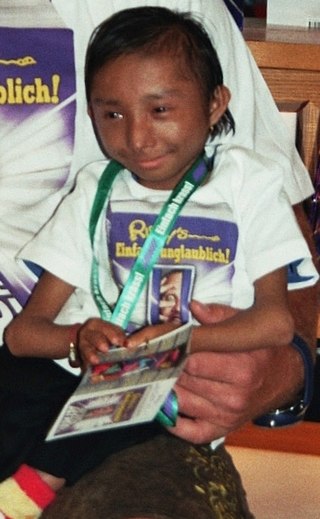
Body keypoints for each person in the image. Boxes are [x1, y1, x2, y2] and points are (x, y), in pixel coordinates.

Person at [1, 7, 318, 519]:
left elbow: (276, 322)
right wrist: (79, 337)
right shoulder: (95, 192)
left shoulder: (247, 187)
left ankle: (34, 486)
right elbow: (22, 336)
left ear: (216, 103)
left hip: (168, 391)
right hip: (66, 379)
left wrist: (175, 343)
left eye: (160, 110)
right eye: (112, 114)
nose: (137, 139)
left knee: (142, 420)